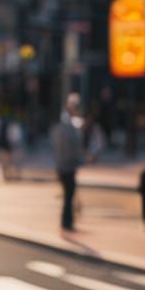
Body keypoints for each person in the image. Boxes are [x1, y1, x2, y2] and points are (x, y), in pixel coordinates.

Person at [51, 94, 84, 232]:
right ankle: (67, 222)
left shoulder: (67, 123)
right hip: (66, 165)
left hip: (64, 164)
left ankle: (67, 221)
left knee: (68, 195)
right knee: (68, 195)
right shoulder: (68, 125)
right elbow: (71, 147)